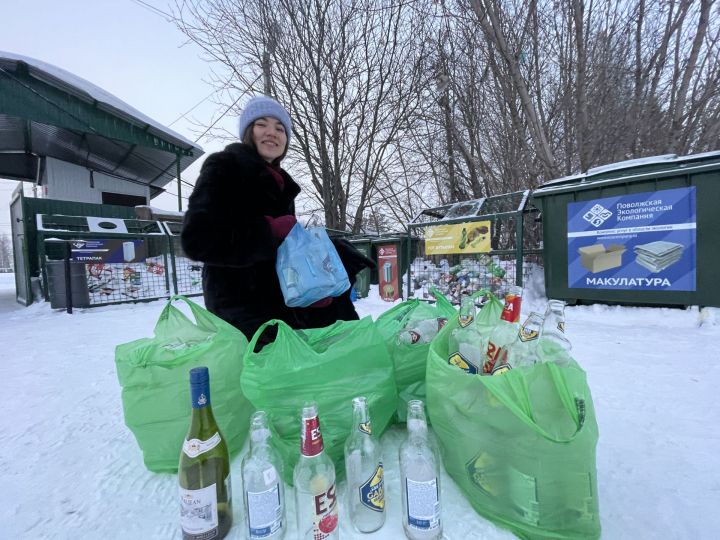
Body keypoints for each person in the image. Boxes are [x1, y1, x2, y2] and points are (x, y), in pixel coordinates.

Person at [181, 95, 374, 343]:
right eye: (262, 124)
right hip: (239, 304)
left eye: (280, 128)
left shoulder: (280, 182)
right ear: (248, 132)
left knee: (340, 329)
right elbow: (197, 239)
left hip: (280, 296)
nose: (272, 132)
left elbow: (283, 250)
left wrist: (316, 277)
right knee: (272, 376)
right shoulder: (224, 167)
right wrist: (268, 230)